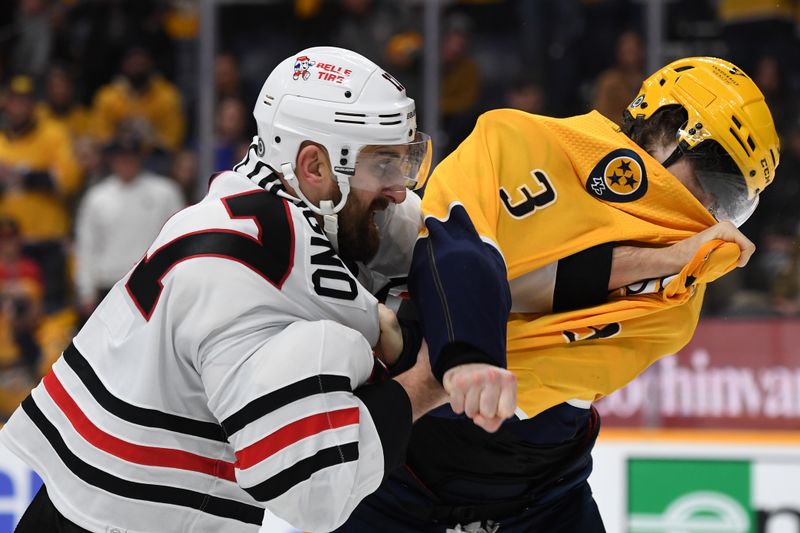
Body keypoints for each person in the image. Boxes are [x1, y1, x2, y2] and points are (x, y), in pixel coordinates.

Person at [0, 46, 515, 533]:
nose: (400, 186)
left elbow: (433, 236)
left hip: (89, 501)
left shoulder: (254, 200)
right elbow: (311, 489)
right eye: (383, 164)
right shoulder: (258, 271)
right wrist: (427, 381)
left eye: (405, 160)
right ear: (314, 166)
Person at [340, 56, 780, 532]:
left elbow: (516, 362)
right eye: (715, 182)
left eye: (732, 201)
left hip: (543, 496)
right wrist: (666, 259)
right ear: (668, 128)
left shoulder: (681, 302)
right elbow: (467, 261)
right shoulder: (515, 138)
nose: (712, 209)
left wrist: (421, 348)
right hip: (398, 482)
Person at [74, 132, 185, 319]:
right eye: (121, 158)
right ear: (113, 160)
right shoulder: (97, 197)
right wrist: (86, 290)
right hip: (109, 284)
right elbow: (87, 245)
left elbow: (180, 239)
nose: (126, 162)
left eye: (131, 157)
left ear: (140, 158)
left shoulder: (165, 192)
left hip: (153, 283)